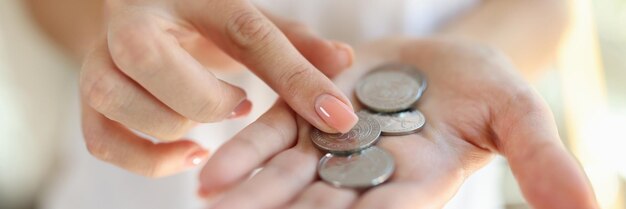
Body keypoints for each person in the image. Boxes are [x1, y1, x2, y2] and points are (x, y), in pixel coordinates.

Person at [1, 0, 598, 208]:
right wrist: (117, 21)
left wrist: (475, 49)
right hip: (148, 190)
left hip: (431, 175)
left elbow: (550, 8)